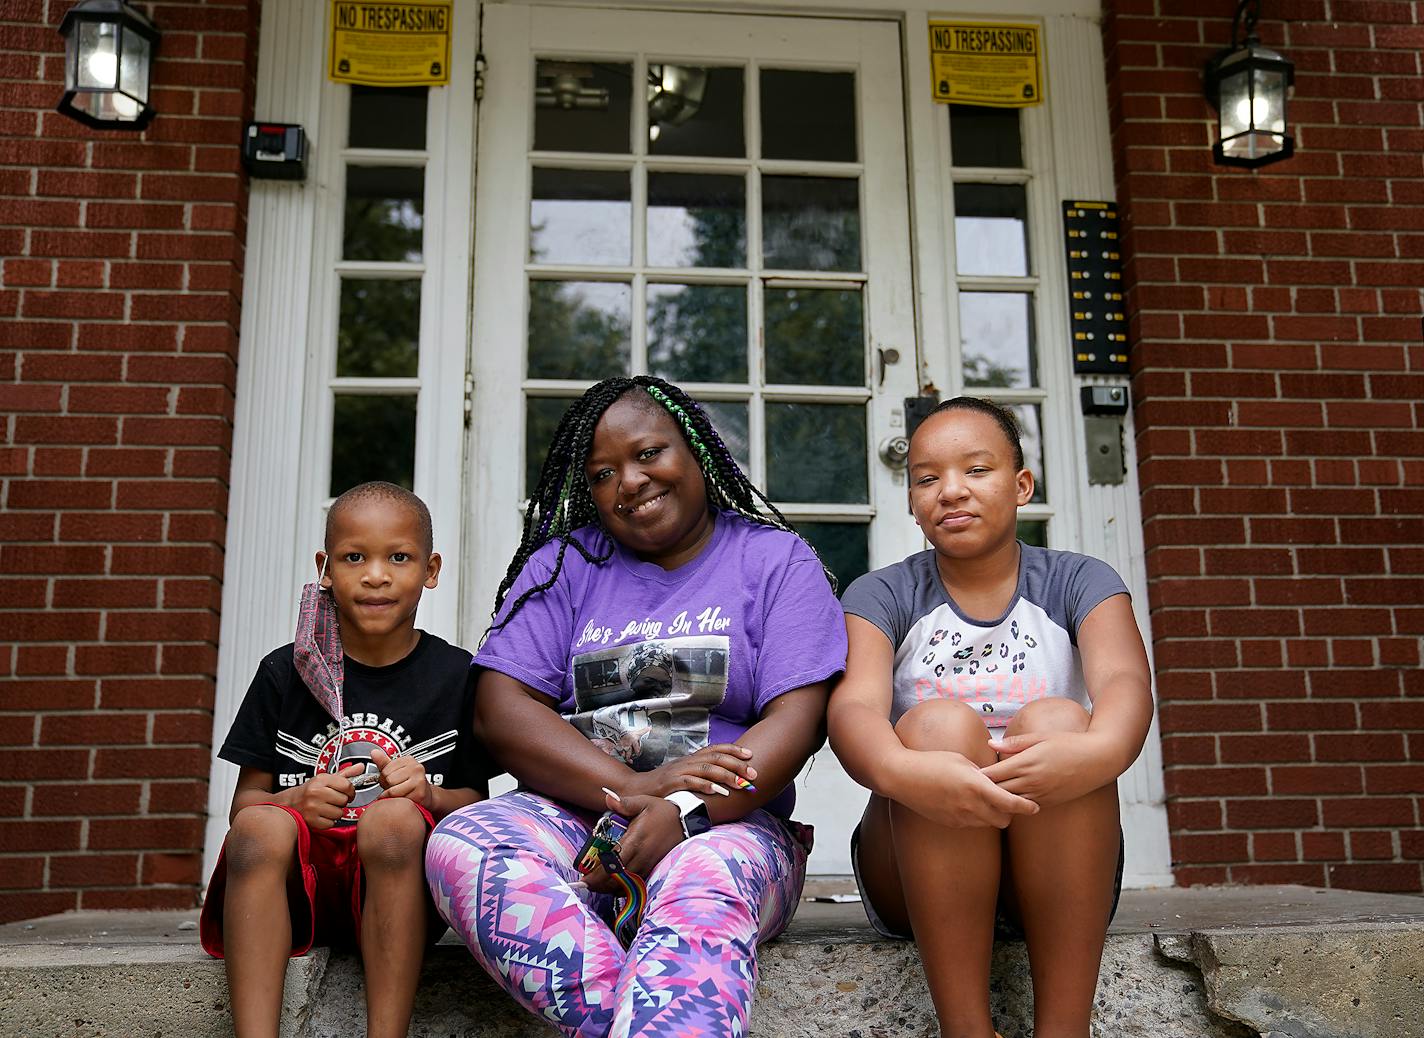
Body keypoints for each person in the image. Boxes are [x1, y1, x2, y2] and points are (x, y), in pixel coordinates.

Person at [425, 375, 846, 1038]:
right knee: (461, 843)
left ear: (698, 451)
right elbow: (500, 709)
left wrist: (683, 814)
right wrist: (635, 789)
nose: (630, 480)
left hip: (729, 829)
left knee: (700, 877)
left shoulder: (773, 560)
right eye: (602, 473)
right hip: (575, 821)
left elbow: (797, 722)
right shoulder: (564, 567)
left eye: (650, 453)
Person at [830, 398, 1153, 1038]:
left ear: (1021, 485)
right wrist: (903, 770)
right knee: (937, 728)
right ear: (913, 501)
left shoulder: (1081, 581)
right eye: (927, 478)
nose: (951, 491)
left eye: (977, 470)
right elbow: (853, 708)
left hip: (1060, 867)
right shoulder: (881, 594)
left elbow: (1123, 683)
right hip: (919, 869)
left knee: (1064, 722)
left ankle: (1065, 1029)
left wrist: (1096, 752)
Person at [200, 481, 487, 1038]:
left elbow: (477, 803)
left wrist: (428, 795)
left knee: (396, 818)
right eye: (354, 557)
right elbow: (246, 805)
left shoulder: (457, 676)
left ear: (431, 569)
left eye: (397, 558)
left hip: (398, 885)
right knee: (258, 828)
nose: (375, 574)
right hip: (297, 891)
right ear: (325, 567)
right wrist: (294, 801)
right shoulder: (285, 672)